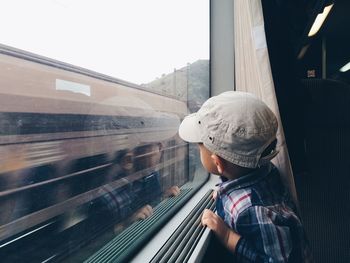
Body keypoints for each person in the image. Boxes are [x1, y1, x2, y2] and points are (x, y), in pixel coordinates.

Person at [178, 91, 312, 262]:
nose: (198, 151)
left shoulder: (253, 211)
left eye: (200, 147)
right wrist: (223, 193)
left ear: (217, 162)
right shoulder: (265, 170)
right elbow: (237, 177)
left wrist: (227, 236)